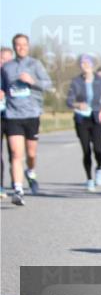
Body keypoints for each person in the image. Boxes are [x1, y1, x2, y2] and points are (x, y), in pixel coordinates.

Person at [1, 34, 53, 205]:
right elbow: (3, 87)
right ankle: (18, 190)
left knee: (31, 154)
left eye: (24, 44)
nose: (21, 47)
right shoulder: (6, 67)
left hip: (32, 114)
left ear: (28, 46)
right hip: (13, 115)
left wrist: (32, 81)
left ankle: (30, 171)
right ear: (14, 47)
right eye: (18, 44)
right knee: (16, 154)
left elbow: (48, 85)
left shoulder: (35, 64)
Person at [66, 54, 101, 191]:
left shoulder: (100, 80)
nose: (85, 65)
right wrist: (78, 105)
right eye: (82, 63)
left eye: (87, 63)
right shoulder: (76, 81)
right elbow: (69, 101)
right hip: (81, 119)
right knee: (86, 151)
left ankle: (99, 169)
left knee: (98, 149)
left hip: (97, 117)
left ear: (92, 65)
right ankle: (89, 179)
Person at [0, 46, 12, 200]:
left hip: (13, 117)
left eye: (8, 60)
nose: (5, 63)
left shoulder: (15, 74)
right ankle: (0, 186)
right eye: (2, 59)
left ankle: (16, 184)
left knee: (14, 153)